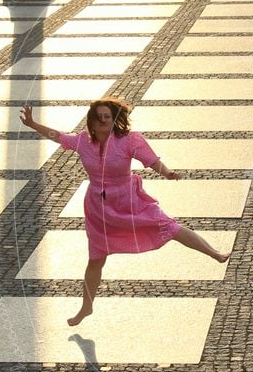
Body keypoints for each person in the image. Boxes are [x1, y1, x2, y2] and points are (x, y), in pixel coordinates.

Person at [20, 97, 231, 326]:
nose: (102, 120)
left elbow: (151, 160)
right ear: (91, 121)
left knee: (170, 227)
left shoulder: (129, 140)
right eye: (98, 117)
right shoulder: (82, 141)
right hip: (99, 209)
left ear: (113, 120)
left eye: (107, 116)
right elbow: (58, 136)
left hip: (129, 201)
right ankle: (86, 308)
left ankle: (214, 254)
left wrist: (167, 172)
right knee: (95, 260)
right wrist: (33, 124)